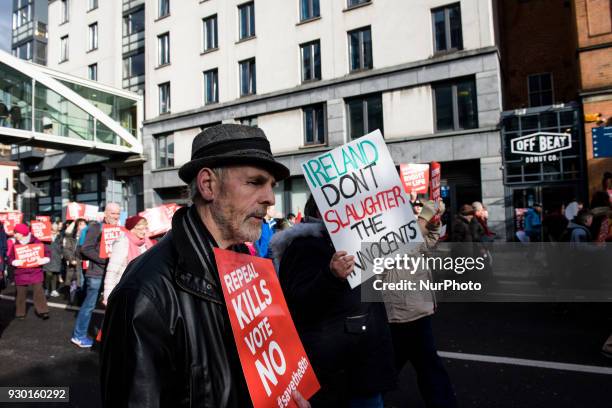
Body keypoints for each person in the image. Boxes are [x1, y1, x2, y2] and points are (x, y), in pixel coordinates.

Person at [100, 124, 310, 407]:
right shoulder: (144, 293)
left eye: (271, 185)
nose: (270, 198)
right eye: (255, 182)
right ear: (208, 184)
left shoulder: (250, 271)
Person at [271, 195, 396, 407]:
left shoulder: (356, 240)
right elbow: (299, 304)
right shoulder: (304, 246)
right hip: (341, 369)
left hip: (366, 357)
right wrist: (331, 276)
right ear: (323, 211)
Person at [382, 200, 457, 408]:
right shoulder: (384, 240)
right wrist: (424, 217)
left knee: (423, 366)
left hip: (416, 310)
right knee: (426, 366)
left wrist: (433, 222)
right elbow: (405, 245)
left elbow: (428, 240)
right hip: (402, 315)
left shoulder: (406, 235)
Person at [71, 203, 121, 348]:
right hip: (96, 274)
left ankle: (108, 335)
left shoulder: (118, 229)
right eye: (112, 213)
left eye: (118, 213)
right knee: (89, 306)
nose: (115, 217)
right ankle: (78, 336)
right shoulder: (96, 227)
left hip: (111, 274)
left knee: (111, 305)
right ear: (105, 214)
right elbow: (86, 249)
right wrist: (105, 259)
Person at [102, 215, 154, 305]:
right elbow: (112, 271)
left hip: (144, 289)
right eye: (141, 229)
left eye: (146, 228)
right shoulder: (122, 242)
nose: (144, 232)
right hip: (126, 289)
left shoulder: (146, 242)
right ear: (132, 229)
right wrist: (108, 296)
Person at [8, 224, 51, 320]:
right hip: (21, 272)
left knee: (39, 292)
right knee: (21, 293)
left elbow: (47, 252)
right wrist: (14, 261)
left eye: (16, 233)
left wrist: (44, 259)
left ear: (22, 233)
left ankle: (43, 311)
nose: (14, 235)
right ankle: (20, 312)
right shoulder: (15, 244)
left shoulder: (36, 241)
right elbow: (10, 257)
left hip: (35, 271)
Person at [63, 218, 87, 305]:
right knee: (74, 284)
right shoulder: (71, 238)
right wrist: (71, 259)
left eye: (85, 224)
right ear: (77, 226)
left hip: (86, 265)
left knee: (84, 283)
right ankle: (73, 299)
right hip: (75, 265)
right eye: (81, 224)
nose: (83, 226)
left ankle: (81, 301)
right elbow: (66, 251)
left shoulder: (89, 237)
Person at [43, 219, 64, 298]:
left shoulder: (60, 237)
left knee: (55, 274)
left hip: (57, 257)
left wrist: (62, 253)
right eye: (52, 230)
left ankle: (53, 289)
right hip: (48, 258)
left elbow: (62, 247)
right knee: (48, 274)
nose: (53, 232)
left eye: (55, 230)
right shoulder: (45, 237)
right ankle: (46, 288)